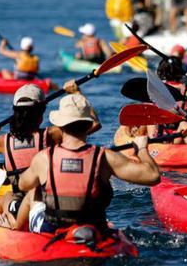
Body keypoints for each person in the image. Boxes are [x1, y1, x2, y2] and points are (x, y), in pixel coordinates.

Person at [12, 94, 161, 235]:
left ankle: (15, 230)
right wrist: (141, 149)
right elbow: (153, 176)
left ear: (60, 126)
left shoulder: (44, 158)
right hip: (93, 229)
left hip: (52, 231)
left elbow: (23, 185)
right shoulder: (103, 157)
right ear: (89, 125)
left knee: (33, 193)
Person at [0, 82, 94, 228]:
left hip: (19, 201)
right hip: (49, 198)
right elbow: (93, 125)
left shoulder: (3, 141)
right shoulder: (52, 135)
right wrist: (76, 94)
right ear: (41, 115)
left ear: (15, 114)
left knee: (7, 197)